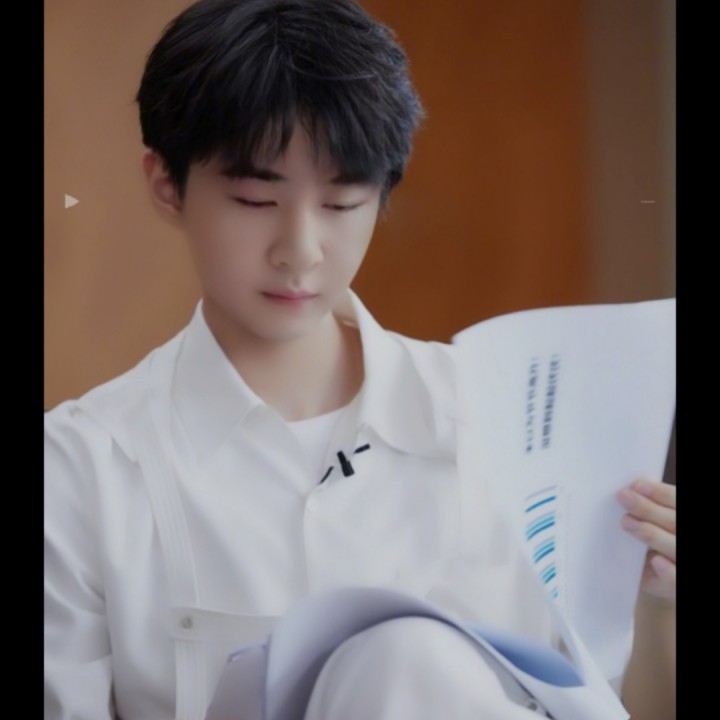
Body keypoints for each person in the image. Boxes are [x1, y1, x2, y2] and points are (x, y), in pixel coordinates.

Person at [44, 1, 676, 718]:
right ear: (168, 185)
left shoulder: (503, 423)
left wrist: (656, 599)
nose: (301, 251)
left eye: (342, 203)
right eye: (255, 200)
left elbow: (602, 697)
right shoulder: (80, 468)